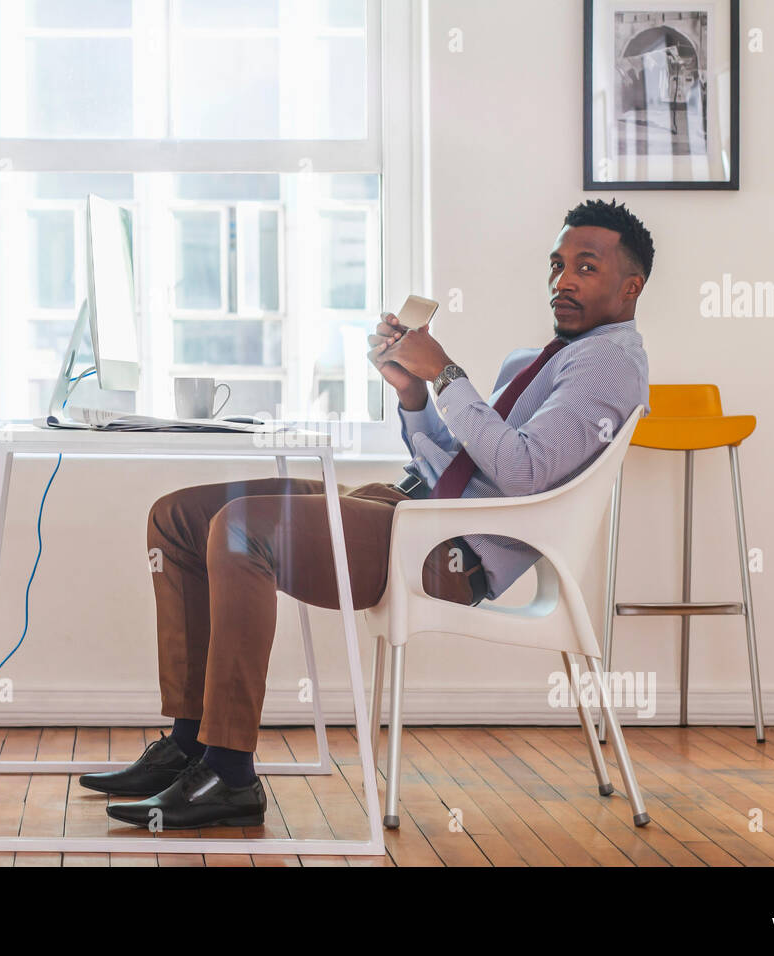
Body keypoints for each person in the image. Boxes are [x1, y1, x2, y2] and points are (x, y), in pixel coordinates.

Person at [79, 198, 654, 829]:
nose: (562, 281)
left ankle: (229, 772)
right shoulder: (541, 360)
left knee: (241, 530)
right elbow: (466, 468)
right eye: (558, 264)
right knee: (178, 517)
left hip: (445, 553)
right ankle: (189, 744)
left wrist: (448, 374)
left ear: (632, 286)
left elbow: (521, 472)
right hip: (411, 509)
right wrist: (414, 393)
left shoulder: (609, 367)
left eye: (586, 267)